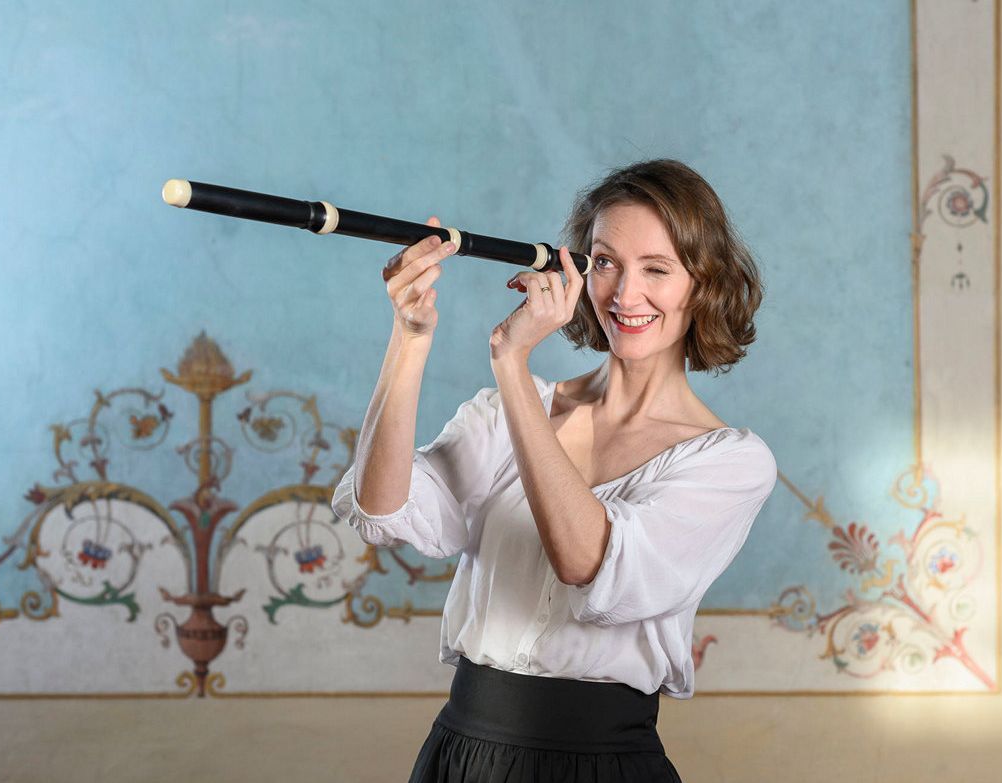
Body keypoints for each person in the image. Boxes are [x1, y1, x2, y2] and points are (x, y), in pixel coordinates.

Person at [331, 159, 778, 782]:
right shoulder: (505, 415)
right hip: (462, 754)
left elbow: (586, 562)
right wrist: (409, 336)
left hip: (601, 766)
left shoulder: (730, 463)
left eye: (656, 269)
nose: (625, 295)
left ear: (704, 284)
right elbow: (380, 510)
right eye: (606, 263)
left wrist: (511, 363)